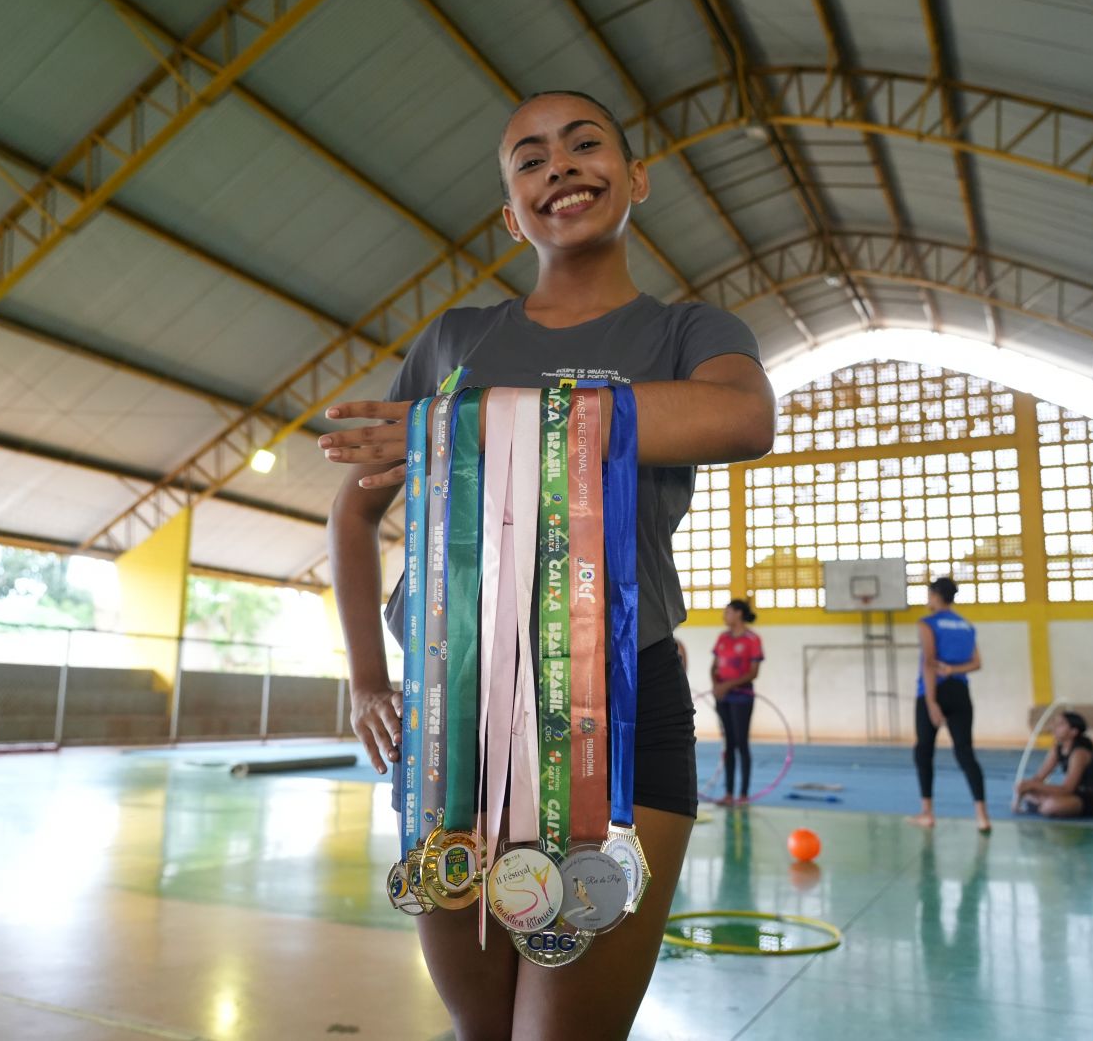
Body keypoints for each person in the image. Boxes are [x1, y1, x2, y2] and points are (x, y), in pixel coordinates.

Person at [319, 90, 776, 1039]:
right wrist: (368, 677)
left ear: (637, 177)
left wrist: (472, 423)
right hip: (454, 718)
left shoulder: (691, 333)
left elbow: (740, 417)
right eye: (529, 159)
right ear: (509, 211)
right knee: (482, 1028)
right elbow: (353, 514)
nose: (558, 166)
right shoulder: (455, 340)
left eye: (584, 144)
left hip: (620, 711)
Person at [910, 577, 992, 833]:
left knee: (924, 750)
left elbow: (929, 662)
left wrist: (932, 702)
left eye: (929, 595)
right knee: (965, 752)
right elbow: (976, 663)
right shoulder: (966, 625)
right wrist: (954, 669)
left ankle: (927, 812)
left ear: (936, 596)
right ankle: (982, 816)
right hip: (960, 691)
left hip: (933, 690)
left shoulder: (928, 624)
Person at [711, 598, 764, 805]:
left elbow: (753, 672)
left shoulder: (752, 639)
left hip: (742, 698)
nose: (725, 616)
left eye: (728, 612)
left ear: (739, 614)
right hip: (723, 698)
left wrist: (728, 685)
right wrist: (717, 686)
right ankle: (728, 793)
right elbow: (714, 667)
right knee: (729, 744)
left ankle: (743, 794)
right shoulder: (722, 638)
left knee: (741, 743)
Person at [1015, 712, 1093, 819]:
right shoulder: (1057, 749)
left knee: (1051, 805)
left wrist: (1033, 785)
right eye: (1055, 723)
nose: (1055, 727)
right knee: (1030, 794)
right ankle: (1044, 805)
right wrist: (1025, 788)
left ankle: (1045, 806)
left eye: (1061, 725)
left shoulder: (1079, 753)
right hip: (1069, 795)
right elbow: (1039, 777)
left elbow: (1067, 789)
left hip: (1086, 799)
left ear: (1073, 732)